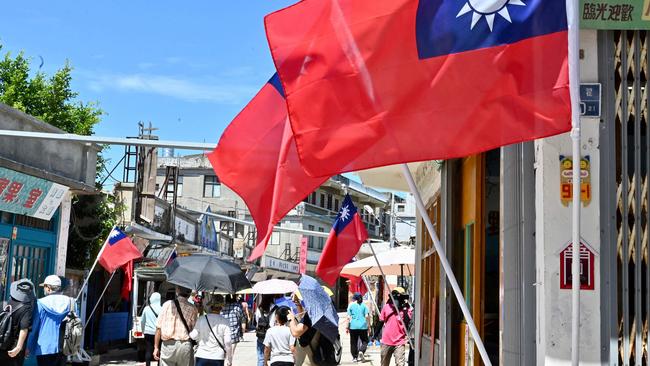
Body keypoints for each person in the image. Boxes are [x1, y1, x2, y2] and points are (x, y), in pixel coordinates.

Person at [26, 275, 75, 366]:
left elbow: (34, 327)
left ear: (48, 288)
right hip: (64, 345)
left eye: (44, 287)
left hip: (44, 348)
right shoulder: (71, 302)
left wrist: (28, 346)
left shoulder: (40, 303)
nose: (43, 289)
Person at [153, 286, 198, 366]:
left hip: (167, 345)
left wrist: (156, 347)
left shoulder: (167, 305)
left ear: (177, 291)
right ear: (189, 294)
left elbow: (158, 328)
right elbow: (194, 329)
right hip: (184, 345)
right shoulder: (193, 308)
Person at [0, 279, 35, 366]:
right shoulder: (26, 308)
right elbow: (24, 329)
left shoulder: (4, 303)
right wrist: (19, 347)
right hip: (12, 349)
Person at [190, 295, 231, 366]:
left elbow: (193, 336)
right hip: (218, 357)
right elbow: (227, 341)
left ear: (211, 307)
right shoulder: (225, 321)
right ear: (221, 307)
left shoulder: (201, 319)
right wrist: (229, 359)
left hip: (202, 355)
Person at [379, 289, 412, 366]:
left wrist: (405, 309)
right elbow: (380, 322)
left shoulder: (406, 310)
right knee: (384, 364)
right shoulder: (386, 307)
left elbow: (407, 322)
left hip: (399, 342)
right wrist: (375, 335)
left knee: (400, 364)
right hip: (386, 341)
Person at [287, 295, 317, 366]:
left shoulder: (311, 315)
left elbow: (295, 333)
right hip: (318, 355)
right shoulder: (319, 312)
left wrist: (291, 319)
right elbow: (303, 318)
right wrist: (297, 303)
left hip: (308, 358)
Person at [255, 295, 278, 366]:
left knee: (261, 357)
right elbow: (275, 322)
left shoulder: (259, 308)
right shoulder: (275, 308)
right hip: (272, 335)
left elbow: (257, 321)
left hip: (261, 335)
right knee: (273, 357)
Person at [141, 292, 162, 366]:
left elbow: (142, 321)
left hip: (148, 332)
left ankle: (148, 364)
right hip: (159, 333)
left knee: (148, 350)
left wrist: (143, 330)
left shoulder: (146, 308)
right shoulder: (162, 309)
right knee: (159, 350)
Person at [221, 295, 243, 366]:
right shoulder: (237, 306)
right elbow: (241, 317)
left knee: (223, 354)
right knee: (230, 355)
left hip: (223, 333)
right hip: (234, 334)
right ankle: (229, 363)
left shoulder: (223, 306)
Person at [347, 292, 369, 362]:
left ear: (354, 299)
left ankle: (354, 357)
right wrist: (368, 326)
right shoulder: (364, 306)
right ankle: (361, 351)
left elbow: (348, 317)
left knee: (353, 342)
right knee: (365, 341)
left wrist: (347, 327)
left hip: (353, 326)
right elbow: (367, 316)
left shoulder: (351, 305)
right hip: (363, 326)